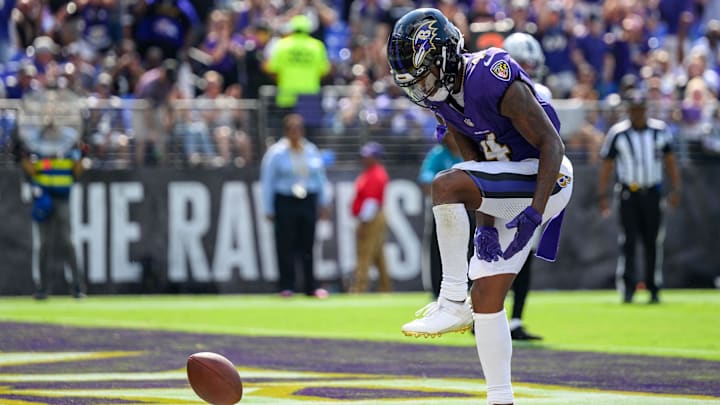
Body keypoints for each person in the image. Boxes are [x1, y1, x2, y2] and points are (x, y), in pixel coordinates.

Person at [387, 9, 574, 404]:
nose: (421, 87)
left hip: (548, 176)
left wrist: (536, 213)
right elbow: (479, 169)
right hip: (513, 182)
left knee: (444, 184)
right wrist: (486, 226)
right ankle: (500, 397)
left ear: (447, 57)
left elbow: (552, 144)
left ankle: (451, 300)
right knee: (487, 301)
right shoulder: (444, 100)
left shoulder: (488, 75)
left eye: (425, 75)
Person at [597, 89, 681, 304]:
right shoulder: (618, 133)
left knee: (653, 241)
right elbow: (607, 165)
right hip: (628, 193)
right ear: (628, 110)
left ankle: (654, 287)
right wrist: (602, 195)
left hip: (652, 192)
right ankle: (628, 288)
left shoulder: (659, 131)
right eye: (634, 110)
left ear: (646, 109)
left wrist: (675, 189)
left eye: (641, 109)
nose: (637, 114)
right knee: (628, 241)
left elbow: (670, 161)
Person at [502, 32, 550, 341]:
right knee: (497, 252)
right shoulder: (498, 92)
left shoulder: (538, 91)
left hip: (527, 179)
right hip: (510, 178)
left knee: (522, 253)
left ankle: (515, 319)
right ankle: (487, 313)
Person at [19, 89, 86, 300]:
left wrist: (80, 159)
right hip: (43, 197)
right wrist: (30, 161)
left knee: (68, 242)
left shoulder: (68, 139)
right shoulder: (35, 141)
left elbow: (77, 168)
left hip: (63, 196)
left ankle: (77, 286)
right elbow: (29, 168)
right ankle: (42, 288)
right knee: (44, 245)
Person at [260, 113, 331, 299]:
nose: (295, 133)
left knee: (308, 244)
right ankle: (287, 285)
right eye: (292, 129)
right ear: (286, 131)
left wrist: (324, 202)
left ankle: (311, 286)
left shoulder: (310, 150)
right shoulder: (276, 153)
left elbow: (320, 178)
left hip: (307, 199)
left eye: (298, 129)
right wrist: (268, 208)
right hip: (285, 200)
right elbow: (268, 181)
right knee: (285, 245)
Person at [417, 133, 467, 299]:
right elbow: (426, 177)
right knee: (437, 250)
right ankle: (437, 290)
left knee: (470, 248)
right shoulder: (438, 154)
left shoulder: (466, 151)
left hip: (467, 209)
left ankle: (468, 287)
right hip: (444, 210)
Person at [263, 14, 331, 136]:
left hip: (287, 96)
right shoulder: (317, 46)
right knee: (309, 136)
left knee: (286, 136)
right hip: (309, 97)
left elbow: (271, 69)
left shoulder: (282, 45)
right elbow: (324, 71)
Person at [349, 141, 392, 293]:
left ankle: (359, 288)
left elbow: (371, 201)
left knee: (364, 252)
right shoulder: (373, 172)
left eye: (368, 156)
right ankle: (385, 287)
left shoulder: (375, 174)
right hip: (375, 216)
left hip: (371, 217)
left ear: (376, 157)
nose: (364, 159)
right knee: (378, 254)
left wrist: (363, 222)